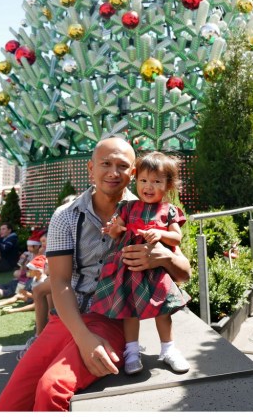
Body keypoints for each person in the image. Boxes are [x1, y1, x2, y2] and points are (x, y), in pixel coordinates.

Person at [0, 136, 191, 411]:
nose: (113, 172)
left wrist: (165, 256)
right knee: (11, 401)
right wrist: (83, 338)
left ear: (132, 172)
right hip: (68, 315)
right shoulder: (66, 216)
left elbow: (184, 274)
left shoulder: (150, 212)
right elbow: (60, 281)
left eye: (122, 166)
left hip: (112, 318)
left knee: (52, 390)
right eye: (105, 164)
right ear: (90, 168)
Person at [90, 151, 190, 375]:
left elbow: (177, 237)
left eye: (156, 181)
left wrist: (159, 233)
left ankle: (168, 349)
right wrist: (114, 229)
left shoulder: (168, 211)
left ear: (168, 184)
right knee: (129, 311)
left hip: (156, 271)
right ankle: (132, 351)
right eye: (143, 180)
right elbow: (117, 232)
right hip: (127, 269)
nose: (148, 186)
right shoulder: (127, 207)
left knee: (163, 311)